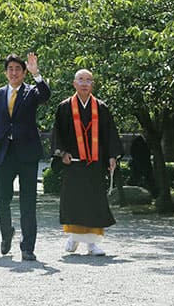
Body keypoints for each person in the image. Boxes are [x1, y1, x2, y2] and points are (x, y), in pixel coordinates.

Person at [52, 68, 123, 255]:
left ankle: (92, 244)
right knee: (74, 202)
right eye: (81, 80)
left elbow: (110, 135)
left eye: (88, 80)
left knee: (94, 202)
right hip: (73, 163)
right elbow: (57, 135)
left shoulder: (101, 108)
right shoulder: (65, 107)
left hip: (95, 163)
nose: (84, 83)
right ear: (74, 84)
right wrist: (62, 153)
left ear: (93, 84)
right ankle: (74, 237)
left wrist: (112, 156)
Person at [0, 52, 50, 261]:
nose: (14, 73)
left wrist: (37, 74)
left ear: (23, 73)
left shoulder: (31, 92)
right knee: (1, 200)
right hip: (4, 154)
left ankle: (28, 247)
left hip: (27, 154)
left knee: (28, 202)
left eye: (18, 69)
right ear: (5, 72)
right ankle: (7, 234)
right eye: (10, 69)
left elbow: (46, 95)